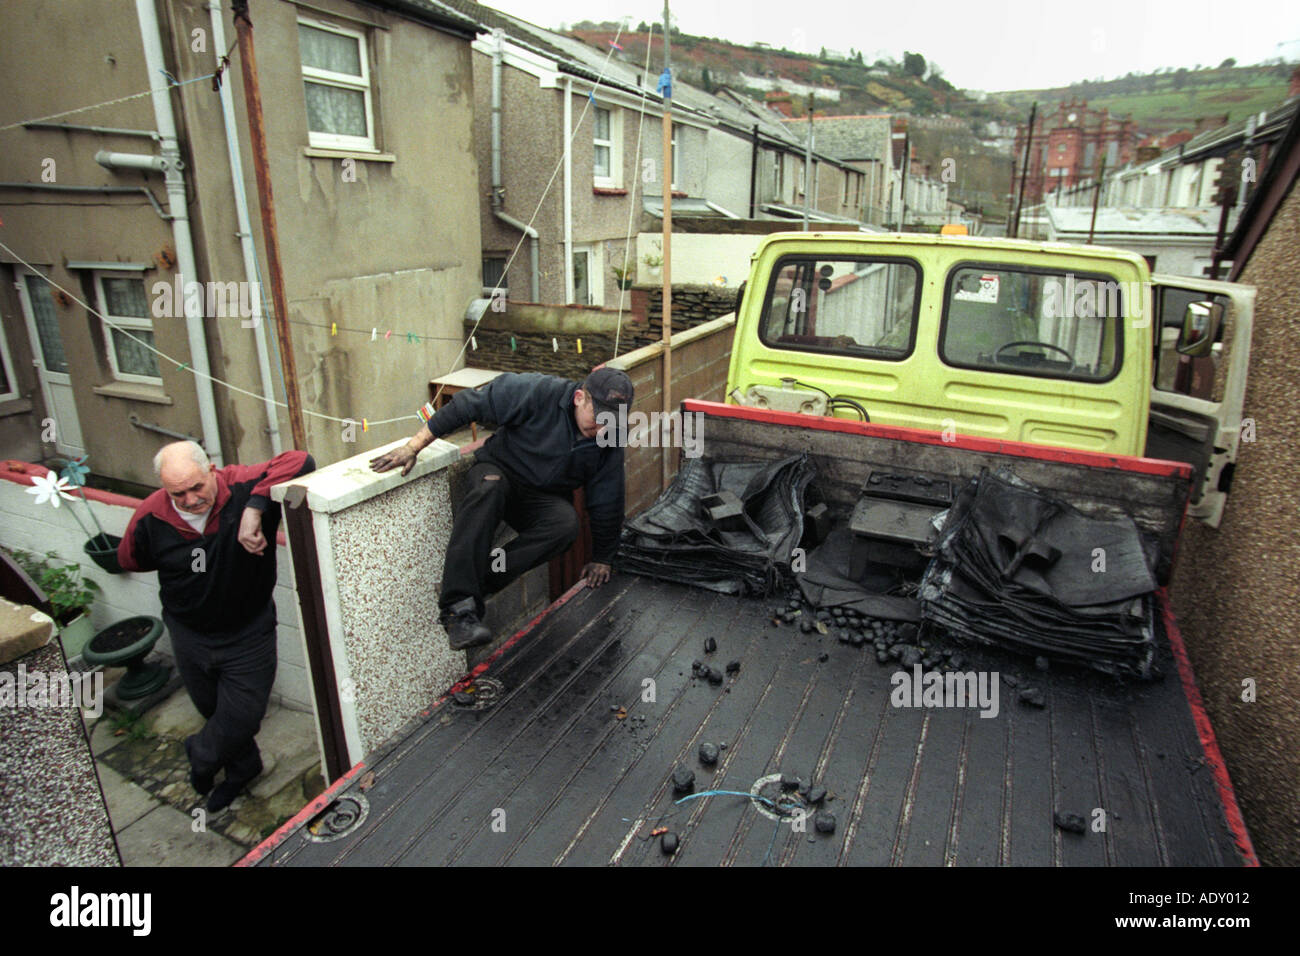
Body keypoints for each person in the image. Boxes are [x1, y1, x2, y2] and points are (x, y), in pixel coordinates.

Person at [369, 368, 632, 650]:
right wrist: (413, 446)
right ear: (579, 398)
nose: (603, 430)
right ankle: (457, 609)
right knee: (488, 489)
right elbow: (466, 405)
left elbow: (608, 497)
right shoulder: (536, 391)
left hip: (540, 497)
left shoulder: (609, 437)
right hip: (498, 471)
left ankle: (477, 584)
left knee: (565, 524)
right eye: (598, 420)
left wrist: (603, 556)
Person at [118, 441, 315, 813]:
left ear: (211, 469)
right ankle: (243, 770)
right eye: (178, 493)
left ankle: (203, 755)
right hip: (188, 634)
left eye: (197, 487)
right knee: (214, 712)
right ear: (164, 489)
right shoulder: (152, 516)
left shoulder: (241, 486)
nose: (191, 499)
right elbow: (129, 558)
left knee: (242, 715)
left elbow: (301, 460)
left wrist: (255, 510)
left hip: (247, 633)